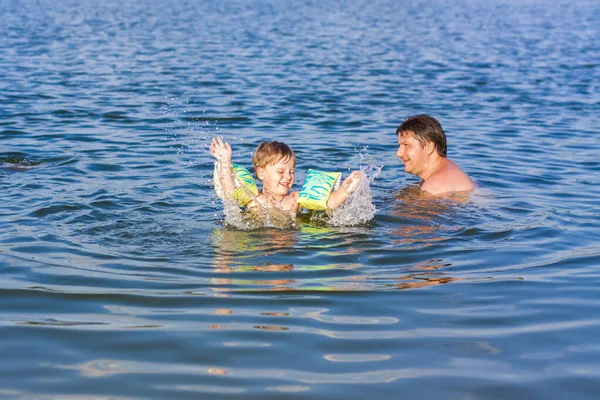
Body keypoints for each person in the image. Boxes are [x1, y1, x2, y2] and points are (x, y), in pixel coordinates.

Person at [210, 137, 362, 218]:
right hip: (261, 242)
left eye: (292, 172)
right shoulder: (254, 198)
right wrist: (225, 163)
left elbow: (328, 202)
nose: (288, 177)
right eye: (281, 172)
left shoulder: (296, 198)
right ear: (261, 173)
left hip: (289, 240)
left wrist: (345, 189)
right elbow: (230, 194)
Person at [395, 115, 475, 195]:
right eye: (400, 146)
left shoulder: (435, 186)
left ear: (429, 147)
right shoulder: (449, 172)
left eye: (406, 145)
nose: (399, 153)